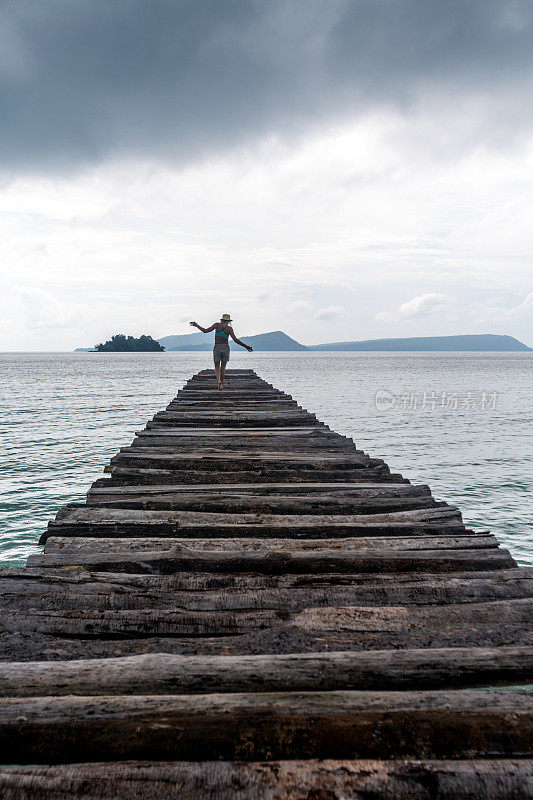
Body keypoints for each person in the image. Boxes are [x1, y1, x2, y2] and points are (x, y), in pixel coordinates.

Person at [190, 314, 253, 389]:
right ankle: (221, 383)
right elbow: (235, 340)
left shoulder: (217, 325)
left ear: (221, 320)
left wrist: (196, 325)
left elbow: (205, 331)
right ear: (228, 321)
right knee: (223, 368)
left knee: (217, 367)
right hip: (225, 348)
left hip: (217, 347)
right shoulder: (229, 329)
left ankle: (219, 381)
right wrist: (246, 346)